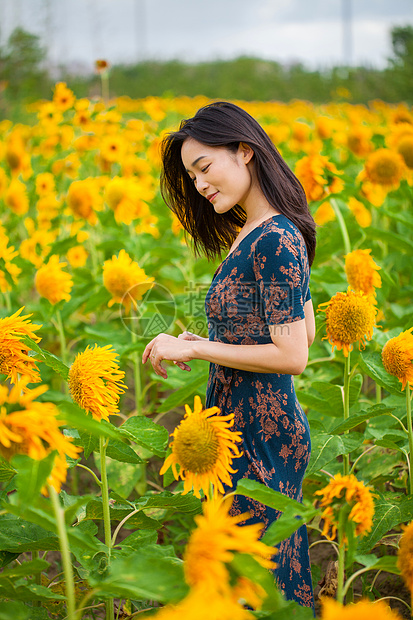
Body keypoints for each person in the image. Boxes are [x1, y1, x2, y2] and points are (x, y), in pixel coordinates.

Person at [142, 101, 316, 611]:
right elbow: (302, 328)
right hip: (246, 429)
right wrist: (211, 340)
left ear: (244, 151)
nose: (198, 185)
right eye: (191, 176)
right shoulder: (259, 231)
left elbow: (293, 356)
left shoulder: (275, 238)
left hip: (262, 436)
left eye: (203, 167)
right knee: (250, 578)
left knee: (258, 587)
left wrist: (196, 349)